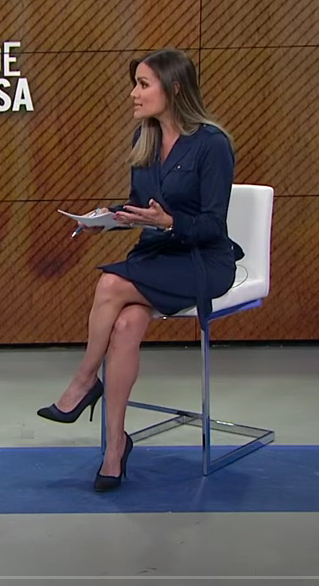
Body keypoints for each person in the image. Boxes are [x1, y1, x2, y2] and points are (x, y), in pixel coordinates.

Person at [36, 48, 239, 492]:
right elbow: (139, 206)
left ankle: (84, 381)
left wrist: (169, 222)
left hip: (203, 260)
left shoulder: (212, 144)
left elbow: (212, 224)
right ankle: (114, 450)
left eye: (143, 84)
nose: (134, 93)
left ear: (175, 88)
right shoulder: (143, 140)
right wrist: (105, 218)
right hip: (157, 256)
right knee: (126, 325)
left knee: (110, 282)